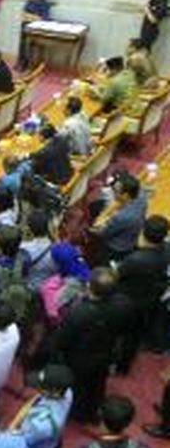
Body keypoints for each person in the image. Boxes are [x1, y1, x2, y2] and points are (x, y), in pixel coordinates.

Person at [52, 267, 117, 424]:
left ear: (89, 286)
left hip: (79, 358)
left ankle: (79, 415)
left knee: (79, 388)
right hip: (105, 354)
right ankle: (94, 411)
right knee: (98, 385)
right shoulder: (119, 306)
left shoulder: (78, 312)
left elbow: (62, 339)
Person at [12, 364, 74, 448]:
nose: (37, 388)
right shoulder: (67, 392)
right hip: (52, 445)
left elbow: (24, 439)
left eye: (42, 386)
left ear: (54, 392)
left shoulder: (42, 425)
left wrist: (11, 431)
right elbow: (38, 399)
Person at [116, 215, 169, 356]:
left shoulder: (135, 260)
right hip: (154, 295)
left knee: (129, 330)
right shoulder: (168, 250)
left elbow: (118, 275)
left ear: (143, 233)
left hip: (132, 298)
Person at [92, 172, 147, 261]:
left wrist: (99, 223)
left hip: (117, 249)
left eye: (115, 191)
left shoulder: (122, 217)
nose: (113, 192)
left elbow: (103, 234)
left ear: (125, 195)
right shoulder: (141, 195)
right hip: (132, 238)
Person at [20, 209, 57, 289]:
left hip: (28, 288)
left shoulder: (23, 248)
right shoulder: (56, 249)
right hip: (47, 290)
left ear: (29, 229)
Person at [18, 0, 51, 69]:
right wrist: (35, 17)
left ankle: (30, 64)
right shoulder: (29, 1)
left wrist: (30, 17)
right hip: (25, 26)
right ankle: (21, 62)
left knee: (33, 46)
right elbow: (23, 15)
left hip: (37, 28)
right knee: (22, 44)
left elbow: (44, 19)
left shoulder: (44, 3)